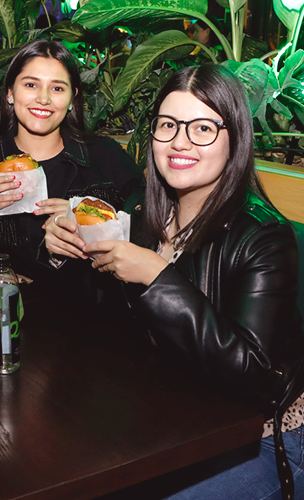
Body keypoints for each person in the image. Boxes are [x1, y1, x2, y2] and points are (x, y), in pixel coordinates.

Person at [44, 65, 304, 500]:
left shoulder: (263, 236)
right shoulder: (142, 213)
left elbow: (254, 374)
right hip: (176, 413)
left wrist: (157, 277)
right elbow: (102, 314)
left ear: (234, 138)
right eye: (168, 125)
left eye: (202, 127)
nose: (180, 142)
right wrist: (61, 252)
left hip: (267, 435)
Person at [0, 39, 142, 302]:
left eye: (57, 88)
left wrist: (87, 222)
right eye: (31, 85)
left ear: (72, 98)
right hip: (13, 318)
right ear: (10, 92)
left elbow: (146, 231)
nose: (43, 99)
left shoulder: (105, 156)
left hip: (95, 320)